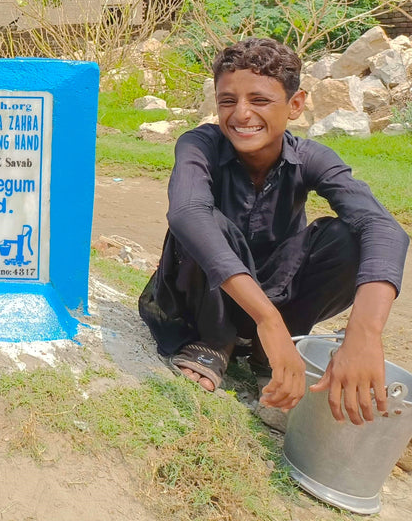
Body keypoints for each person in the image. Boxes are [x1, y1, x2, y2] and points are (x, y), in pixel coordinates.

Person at [139, 38, 408, 424]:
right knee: (203, 222)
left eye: (260, 100)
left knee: (348, 237)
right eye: (227, 100)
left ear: (295, 105)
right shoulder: (200, 144)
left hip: (276, 296)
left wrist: (364, 333)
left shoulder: (312, 158)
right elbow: (186, 212)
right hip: (200, 301)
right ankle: (215, 343)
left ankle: (271, 354)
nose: (241, 114)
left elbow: (382, 227)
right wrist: (268, 320)